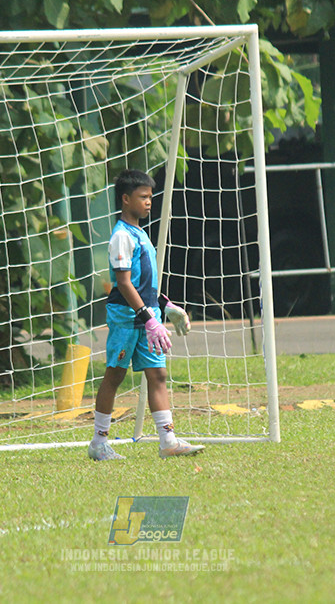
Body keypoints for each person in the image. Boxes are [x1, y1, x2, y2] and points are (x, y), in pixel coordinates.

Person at [88, 169, 203, 461]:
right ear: (126, 200)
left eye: (151, 197)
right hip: (127, 318)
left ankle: (168, 441)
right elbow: (124, 284)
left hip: (147, 315)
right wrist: (149, 318)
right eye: (143, 197)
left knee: (158, 374)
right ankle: (98, 443)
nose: (149, 202)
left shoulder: (140, 234)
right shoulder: (121, 237)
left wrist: (166, 307)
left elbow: (144, 282)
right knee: (115, 374)